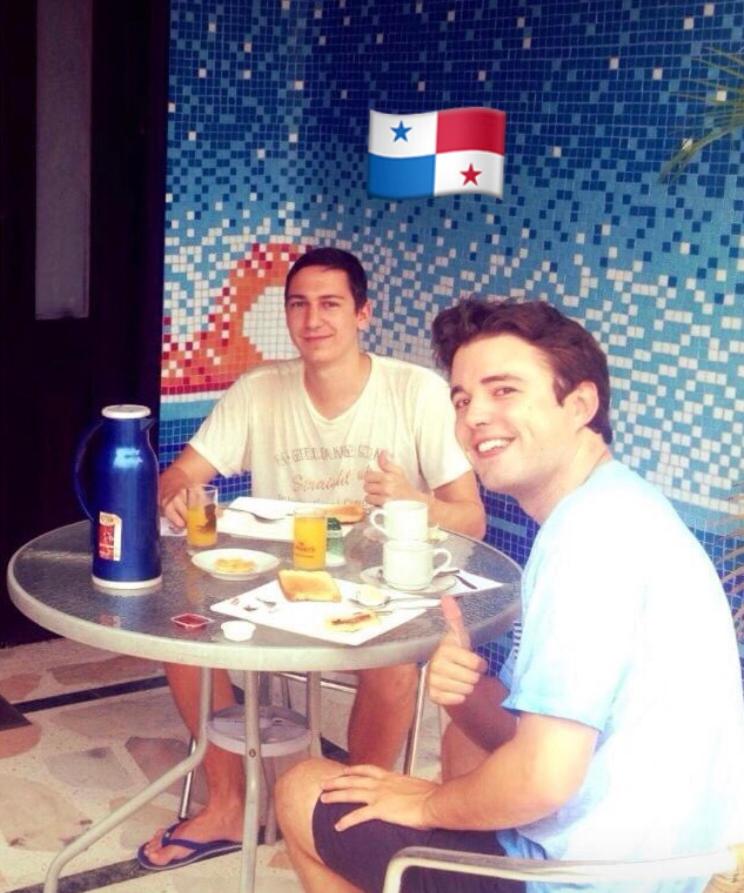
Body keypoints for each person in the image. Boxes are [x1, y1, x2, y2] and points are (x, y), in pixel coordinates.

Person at [275, 298, 744, 893]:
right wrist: (465, 693)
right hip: (662, 863)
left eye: (504, 391)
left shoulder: (589, 541)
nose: (474, 416)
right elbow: (535, 748)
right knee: (462, 743)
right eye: (462, 400)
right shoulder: (620, 505)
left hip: (587, 880)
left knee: (303, 789)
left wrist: (426, 803)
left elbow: (543, 778)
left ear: (580, 405)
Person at [137, 248, 486, 870]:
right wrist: (177, 494)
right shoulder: (260, 390)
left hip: (377, 590)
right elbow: (178, 476)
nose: (313, 320)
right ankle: (226, 803)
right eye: (299, 305)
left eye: (330, 304)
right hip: (275, 587)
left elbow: (472, 518)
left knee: (394, 669)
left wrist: (413, 502)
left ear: (363, 313)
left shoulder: (415, 392)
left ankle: (347, 815)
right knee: (181, 635)